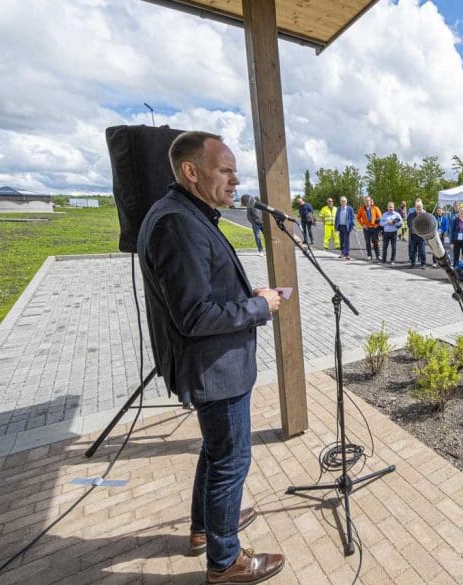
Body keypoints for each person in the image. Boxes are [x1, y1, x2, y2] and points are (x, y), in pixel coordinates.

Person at [137, 131, 285, 584]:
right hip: (215, 367)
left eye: (234, 171)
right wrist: (258, 307)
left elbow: (201, 292)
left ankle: (206, 528)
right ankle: (225, 561)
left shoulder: (187, 214)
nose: (235, 180)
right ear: (190, 171)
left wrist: (246, 295)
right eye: (225, 170)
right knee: (231, 462)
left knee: (217, 452)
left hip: (215, 364)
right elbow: (195, 315)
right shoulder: (178, 223)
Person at [356, 196, 382, 260]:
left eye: (368, 200)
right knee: (367, 242)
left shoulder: (375, 208)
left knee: (375, 242)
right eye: (366, 200)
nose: (367, 202)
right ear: (364, 202)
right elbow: (358, 218)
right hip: (366, 228)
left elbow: (381, 218)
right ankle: (369, 255)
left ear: (370, 201)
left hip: (374, 228)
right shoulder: (361, 209)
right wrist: (363, 225)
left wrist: (377, 225)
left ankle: (378, 255)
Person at [407, 199, 427, 268]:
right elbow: (409, 224)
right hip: (413, 235)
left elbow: (426, 225)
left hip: (421, 236)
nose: (418, 208)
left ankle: (423, 264)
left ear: (422, 207)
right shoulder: (411, 215)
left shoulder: (424, 215)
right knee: (413, 250)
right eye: (417, 207)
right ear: (415, 207)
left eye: (419, 207)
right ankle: (413, 263)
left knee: (422, 251)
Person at [335, 196, 355, 260]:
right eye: (342, 201)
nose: (343, 202)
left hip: (347, 227)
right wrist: (336, 227)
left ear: (346, 202)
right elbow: (336, 218)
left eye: (344, 201)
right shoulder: (338, 208)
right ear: (340, 202)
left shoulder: (350, 209)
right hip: (340, 226)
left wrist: (353, 225)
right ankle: (342, 253)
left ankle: (347, 254)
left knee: (346, 240)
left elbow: (353, 217)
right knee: (341, 240)